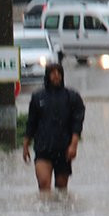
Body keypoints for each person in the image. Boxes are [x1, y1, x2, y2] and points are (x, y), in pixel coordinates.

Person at [22, 63, 85, 195]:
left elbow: (77, 124)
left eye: (59, 73)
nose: (56, 76)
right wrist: (26, 145)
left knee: (61, 190)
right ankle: (46, 214)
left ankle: (60, 214)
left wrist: (73, 145)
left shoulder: (72, 97)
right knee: (44, 185)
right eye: (52, 73)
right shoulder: (38, 97)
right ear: (47, 75)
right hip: (43, 148)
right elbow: (31, 123)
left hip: (64, 150)